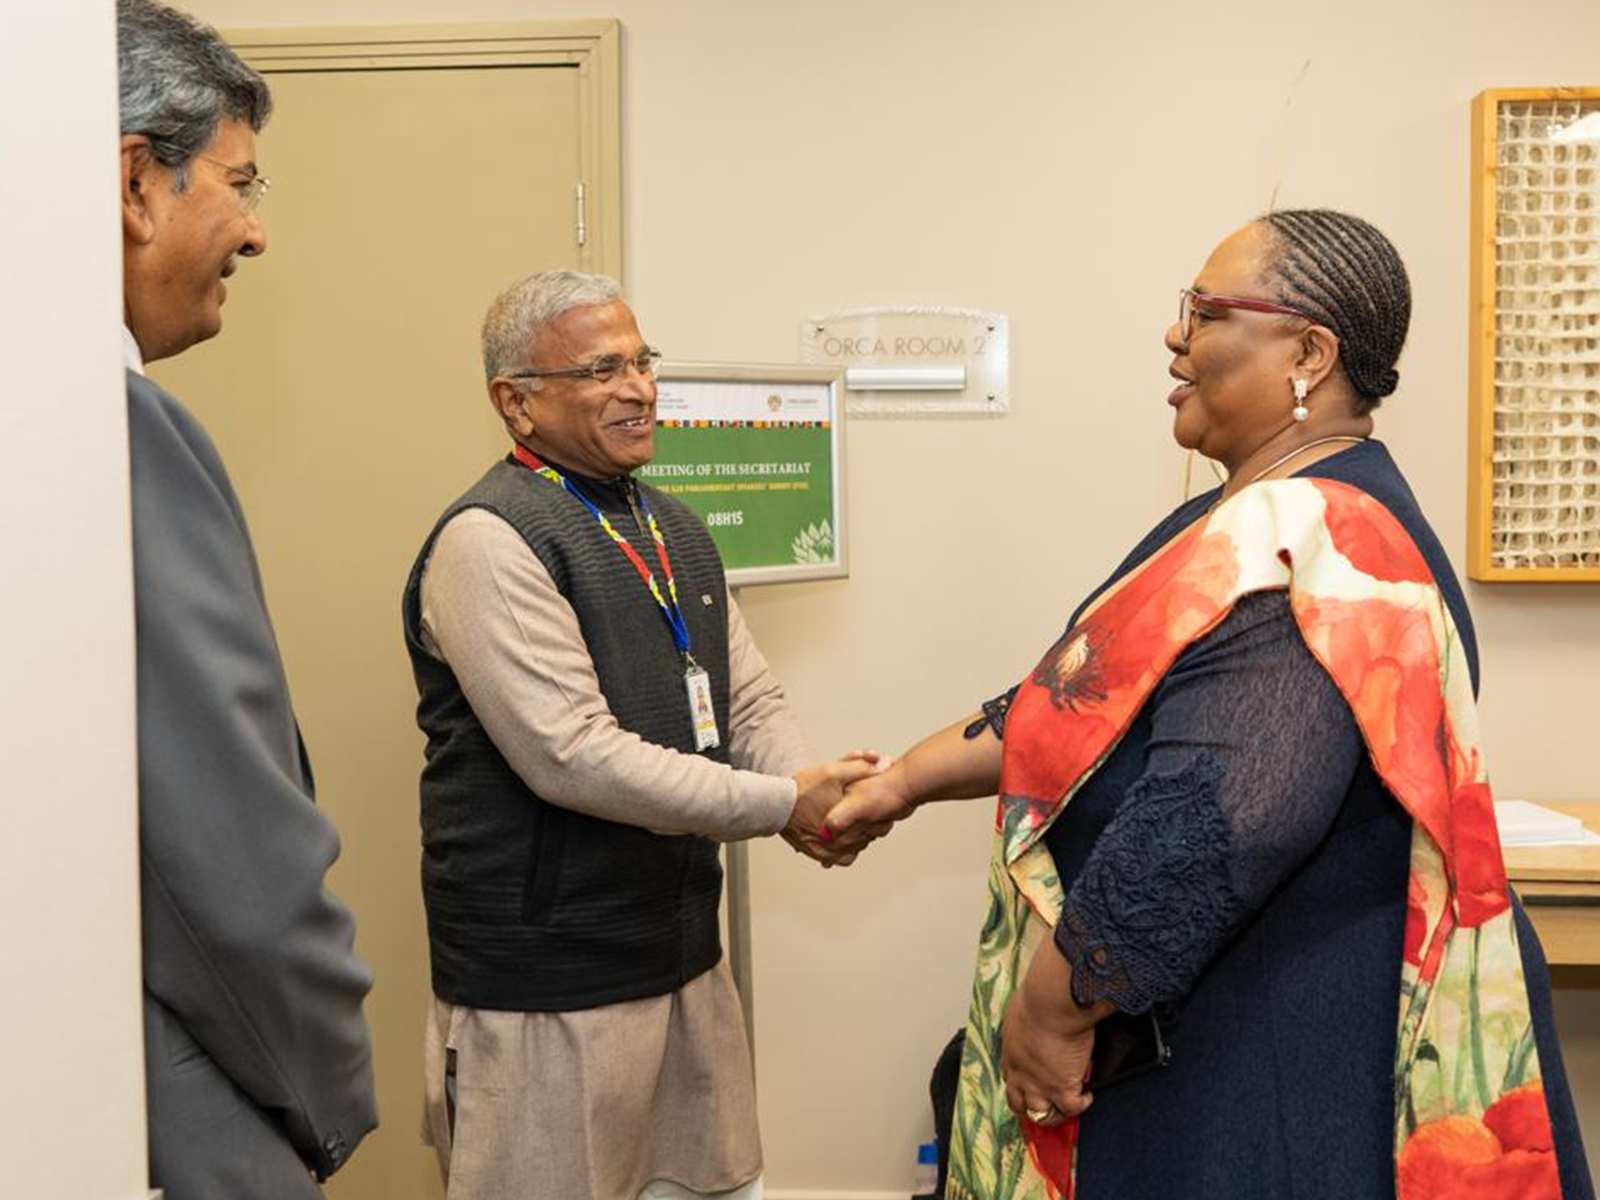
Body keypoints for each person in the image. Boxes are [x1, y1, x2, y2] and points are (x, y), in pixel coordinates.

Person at [827, 210, 1595, 1200]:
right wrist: (900, 782)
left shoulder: (1305, 540)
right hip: (1211, 1026)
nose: (1173, 335)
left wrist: (1052, 1012)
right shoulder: (1250, 510)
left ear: (1308, 353)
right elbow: (1080, 694)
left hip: (1264, 1066)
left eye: (1205, 310)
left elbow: (1221, 820)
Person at [401, 270, 879, 1200]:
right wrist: (786, 804)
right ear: (517, 402)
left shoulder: (674, 529)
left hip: (684, 965)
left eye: (642, 360)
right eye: (601, 369)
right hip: (549, 991)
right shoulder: (489, 540)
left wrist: (812, 784)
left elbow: (746, 702)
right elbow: (573, 757)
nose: (640, 388)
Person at [118, 3, 378, 1196]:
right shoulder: (116, 430)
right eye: (240, 183)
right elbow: (229, 862)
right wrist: (330, 1097)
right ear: (138, 184)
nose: (257, 234)